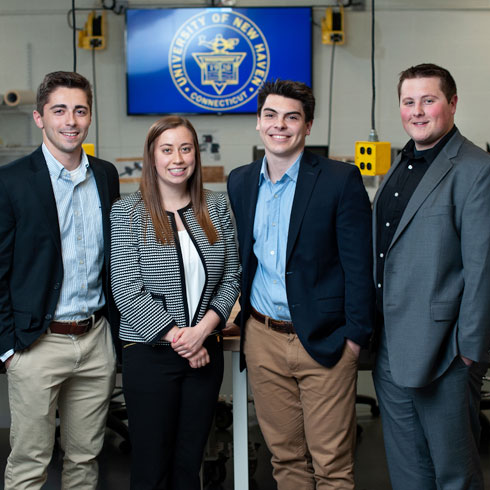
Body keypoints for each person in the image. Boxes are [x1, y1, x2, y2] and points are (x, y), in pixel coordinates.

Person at [226, 79, 375, 489]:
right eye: (270, 116)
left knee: (331, 465)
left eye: (292, 117)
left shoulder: (339, 179)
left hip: (326, 340)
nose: (280, 125)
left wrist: (354, 340)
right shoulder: (240, 182)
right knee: (285, 458)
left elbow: (359, 266)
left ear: (307, 126)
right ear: (258, 122)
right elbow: (241, 258)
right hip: (263, 340)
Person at [0, 71, 120, 489]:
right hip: (37, 343)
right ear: (39, 118)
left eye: (80, 110)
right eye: (59, 110)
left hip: (95, 340)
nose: (71, 120)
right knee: (31, 462)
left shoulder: (105, 175)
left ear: (89, 117)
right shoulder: (11, 182)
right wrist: (8, 349)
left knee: (85, 460)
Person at [373, 63, 490, 489]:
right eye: (409, 101)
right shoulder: (399, 165)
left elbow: (483, 266)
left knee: (454, 474)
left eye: (429, 100)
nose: (417, 111)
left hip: (446, 354)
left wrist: (469, 352)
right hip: (390, 346)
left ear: (452, 103)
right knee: (408, 473)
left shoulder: (476, 169)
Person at [110, 115, 240, 490]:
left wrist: (202, 332)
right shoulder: (127, 212)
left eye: (185, 148)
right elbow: (126, 287)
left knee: (189, 465)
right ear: (152, 157)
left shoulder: (215, 208)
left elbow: (232, 276)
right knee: (151, 467)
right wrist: (181, 339)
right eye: (167, 150)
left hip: (205, 352)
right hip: (149, 354)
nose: (177, 158)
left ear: (195, 155)